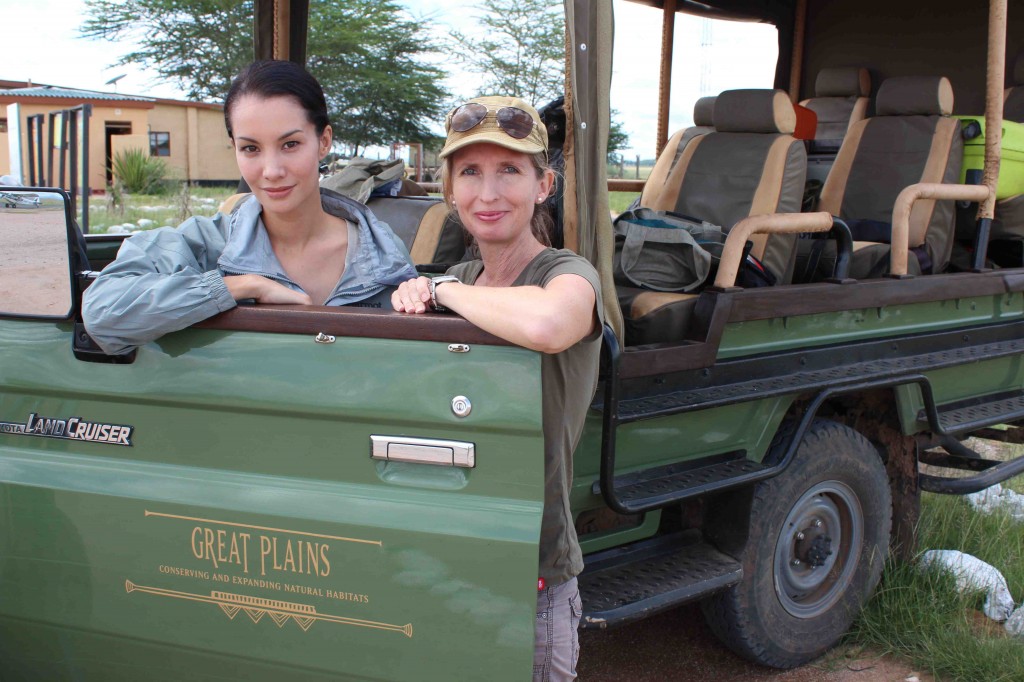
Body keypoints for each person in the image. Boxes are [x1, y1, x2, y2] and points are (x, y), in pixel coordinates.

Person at [391, 96, 603, 682]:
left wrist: (442, 293)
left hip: (528, 563)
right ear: (449, 191)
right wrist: (413, 295)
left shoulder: (566, 274)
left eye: (510, 170)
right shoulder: (457, 277)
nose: (488, 194)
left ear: (544, 185)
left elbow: (547, 324)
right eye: (471, 173)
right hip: (447, 551)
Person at [83, 60, 416, 355]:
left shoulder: (381, 254)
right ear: (235, 150)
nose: (271, 170)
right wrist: (238, 287)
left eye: (290, 144)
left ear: (323, 141)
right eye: (251, 148)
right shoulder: (206, 244)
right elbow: (102, 312)